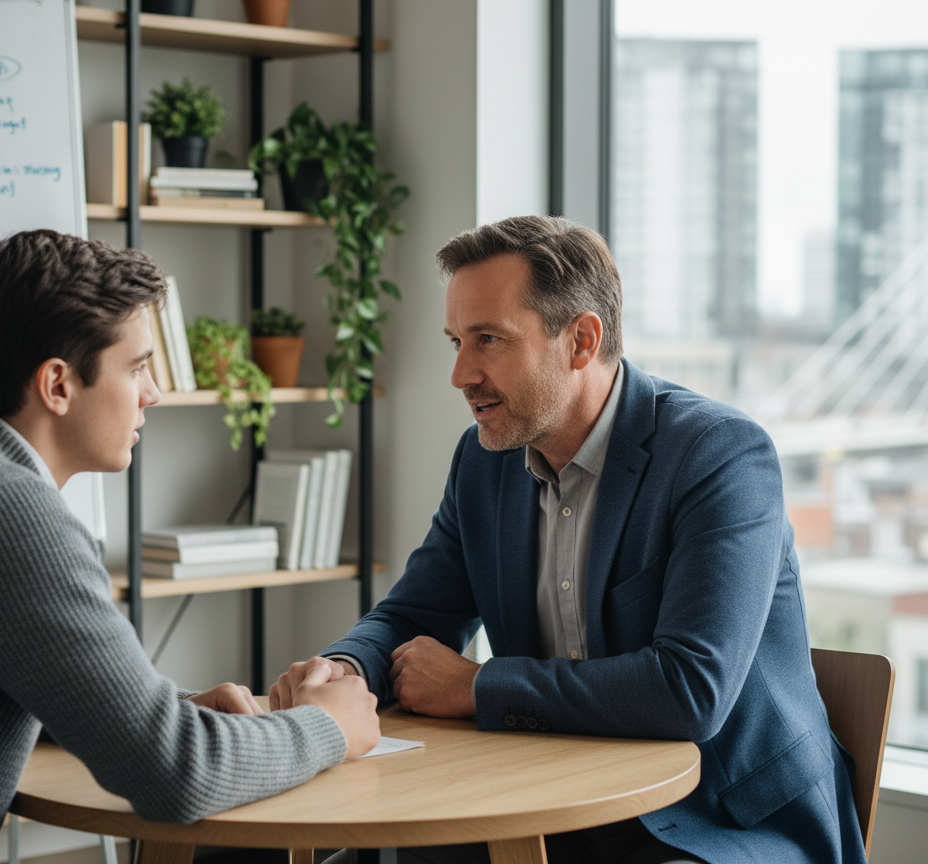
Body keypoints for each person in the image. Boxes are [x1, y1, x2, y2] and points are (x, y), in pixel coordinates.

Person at [0, 230, 379, 863]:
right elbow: (174, 776)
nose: (154, 394)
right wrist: (329, 725)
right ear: (57, 385)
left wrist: (167, 708)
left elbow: (10, 675)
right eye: (137, 367)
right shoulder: (2, 510)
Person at [271, 216, 865, 864]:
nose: (460, 374)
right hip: (552, 796)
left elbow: (690, 690)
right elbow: (416, 614)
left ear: (581, 340)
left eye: (488, 340)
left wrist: (477, 686)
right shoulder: (483, 460)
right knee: (380, 851)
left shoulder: (718, 454)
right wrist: (345, 670)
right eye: (456, 342)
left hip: (720, 821)